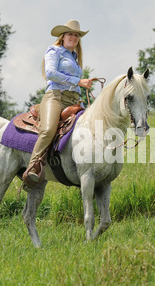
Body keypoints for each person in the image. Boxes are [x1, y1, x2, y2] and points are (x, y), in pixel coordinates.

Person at [23, 19, 93, 189]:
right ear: (62, 36)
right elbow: (51, 73)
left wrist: (82, 85)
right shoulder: (54, 51)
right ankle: (33, 166)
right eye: (70, 34)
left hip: (73, 100)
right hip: (55, 97)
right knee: (48, 130)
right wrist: (79, 81)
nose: (74, 37)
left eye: (77, 35)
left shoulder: (74, 57)